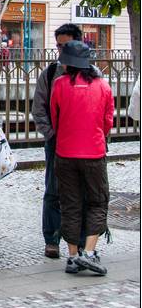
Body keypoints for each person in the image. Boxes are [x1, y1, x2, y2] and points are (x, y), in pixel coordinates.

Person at [50, 40, 114, 276]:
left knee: (70, 203)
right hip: (94, 153)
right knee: (97, 201)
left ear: (67, 64)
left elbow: (54, 118)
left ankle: (73, 255)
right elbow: (108, 122)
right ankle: (89, 251)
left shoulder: (59, 85)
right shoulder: (103, 86)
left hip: (65, 153)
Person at [32, 22, 89, 259]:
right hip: (57, 142)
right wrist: (52, 135)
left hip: (84, 143)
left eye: (64, 45)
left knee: (83, 192)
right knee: (53, 191)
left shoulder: (91, 75)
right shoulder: (50, 73)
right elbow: (39, 109)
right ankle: (52, 239)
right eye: (58, 46)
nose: (60, 50)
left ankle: (81, 241)